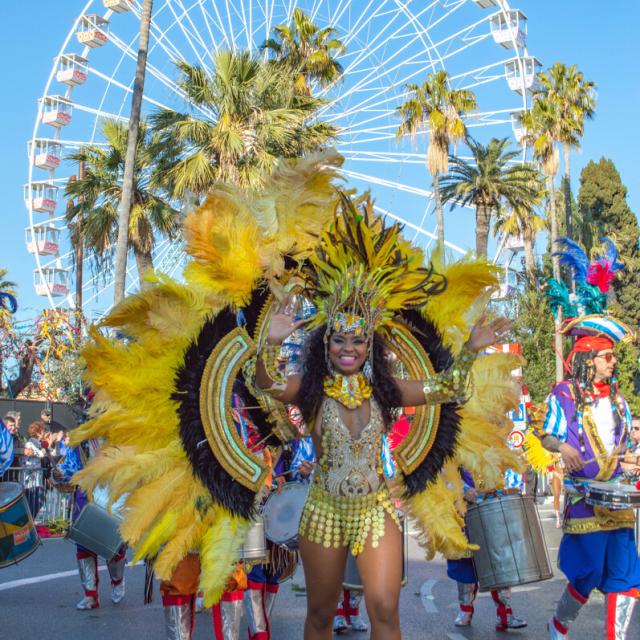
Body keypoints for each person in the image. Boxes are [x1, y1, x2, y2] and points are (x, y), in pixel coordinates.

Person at [254, 291, 509, 639]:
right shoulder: (311, 389)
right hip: (324, 510)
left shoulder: (385, 389)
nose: (349, 348)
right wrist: (270, 344)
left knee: (386, 610)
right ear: (325, 344)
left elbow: (448, 387)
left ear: (369, 345)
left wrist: (470, 350)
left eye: (358, 340)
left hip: (375, 510)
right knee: (320, 614)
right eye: (340, 340)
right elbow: (266, 384)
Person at [446, 470, 527, 631]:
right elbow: (442, 474)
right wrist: (462, 489)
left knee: (499, 560)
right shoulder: (449, 447)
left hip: (491, 506)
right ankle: (465, 609)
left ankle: (505, 613)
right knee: (464, 563)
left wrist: (505, 490)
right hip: (462, 511)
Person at [56, 440, 127, 610]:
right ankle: (90, 595)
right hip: (85, 497)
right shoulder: (81, 440)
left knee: (112, 546)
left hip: (110, 496)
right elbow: (71, 466)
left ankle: (117, 581)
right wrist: (61, 472)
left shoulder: (118, 435)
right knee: (83, 546)